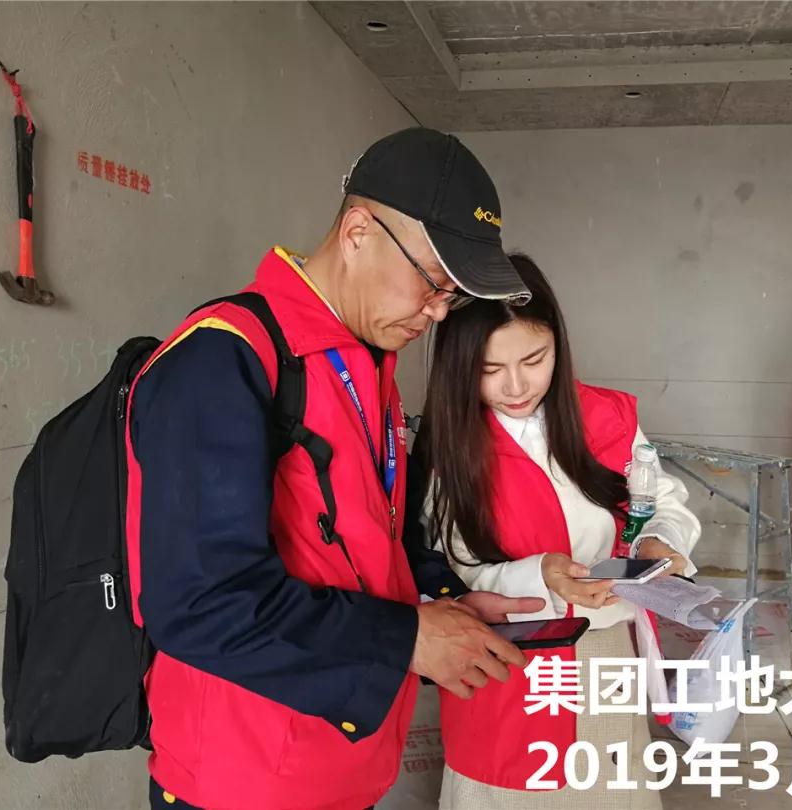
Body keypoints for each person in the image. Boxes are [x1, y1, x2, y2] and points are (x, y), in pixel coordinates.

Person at [126, 128, 547, 810]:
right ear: (358, 233)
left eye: (451, 296)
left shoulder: (363, 365)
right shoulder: (223, 359)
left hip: (339, 770)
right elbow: (199, 604)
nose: (438, 312)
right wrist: (410, 638)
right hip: (242, 784)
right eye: (432, 283)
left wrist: (441, 603)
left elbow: (363, 544)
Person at [417, 254, 701, 809]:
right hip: (502, 660)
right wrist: (541, 576)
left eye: (534, 359)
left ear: (558, 345)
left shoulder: (606, 417)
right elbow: (453, 568)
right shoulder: (449, 447)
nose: (516, 385)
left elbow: (662, 501)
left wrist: (658, 541)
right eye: (489, 369)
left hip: (603, 655)